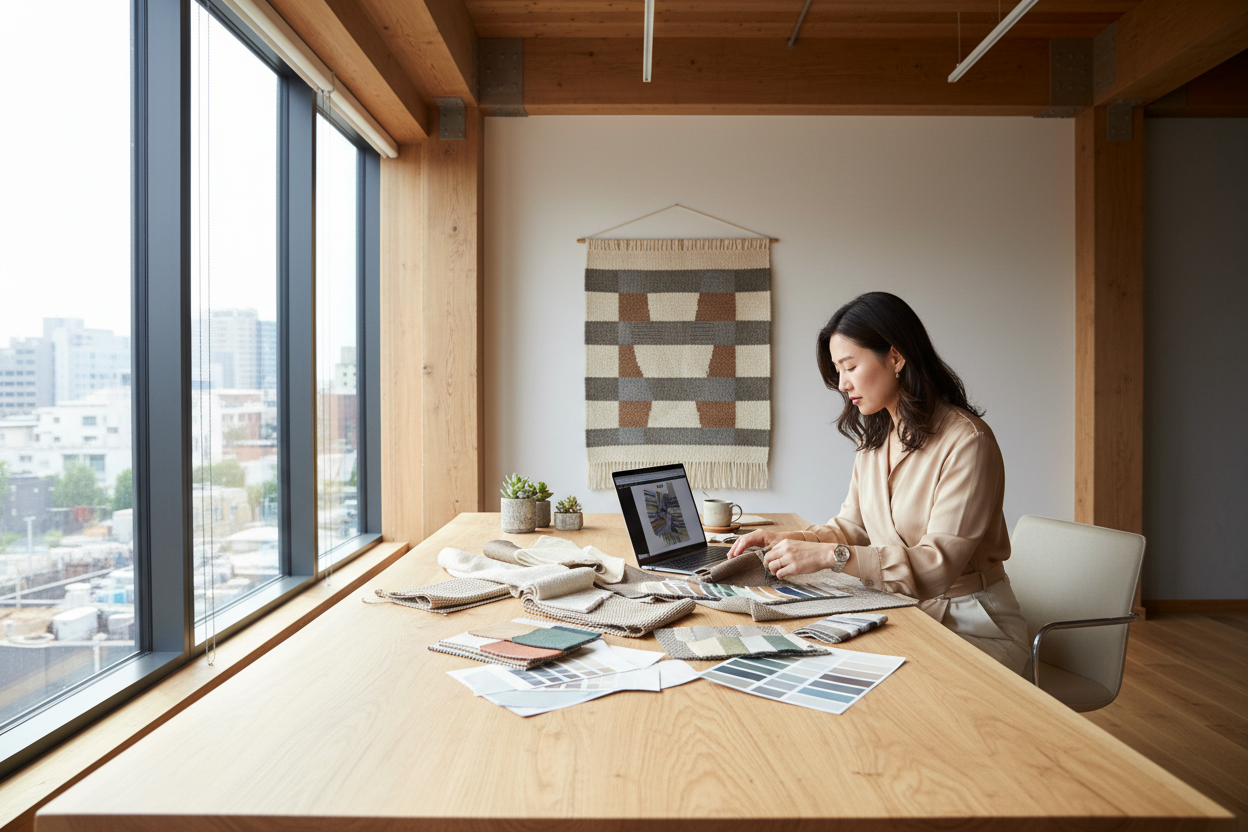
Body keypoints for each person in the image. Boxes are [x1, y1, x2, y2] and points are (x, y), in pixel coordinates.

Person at [727, 292, 1030, 674]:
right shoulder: (876, 440)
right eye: (837, 371)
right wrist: (793, 543)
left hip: (972, 625)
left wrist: (830, 557)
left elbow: (938, 567)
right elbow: (851, 527)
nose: (841, 383)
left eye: (850, 367)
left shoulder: (968, 442)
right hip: (902, 609)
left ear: (896, 356)